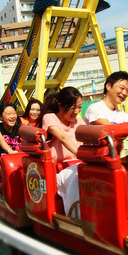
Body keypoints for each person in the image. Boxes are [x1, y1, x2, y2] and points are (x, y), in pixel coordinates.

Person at [42, 87, 85, 216]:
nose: (77, 111)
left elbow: (87, 132)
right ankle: (75, 217)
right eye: (73, 108)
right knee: (76, 177)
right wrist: (82, 155)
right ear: (60, 106)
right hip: (59, 171)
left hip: (79, 166)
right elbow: (63, 137)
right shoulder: (49, 118)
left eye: (79, 107)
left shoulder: (78, 121)